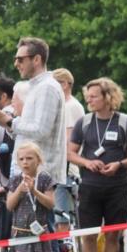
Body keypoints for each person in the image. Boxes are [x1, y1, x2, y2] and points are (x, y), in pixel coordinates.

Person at [0, 37, 67, 252]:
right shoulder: (36, 88)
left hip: (41, 172)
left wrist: (9, 121)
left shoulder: (46, 88)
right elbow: (29, 128)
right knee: (32, 233)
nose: (16, 63)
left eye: (21, 58)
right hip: (27, 170)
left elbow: (41, 130)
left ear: (37, 59)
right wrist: (9, 124)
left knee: (44, 233)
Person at [68, 77, 127, 252]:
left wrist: (119, 164)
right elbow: (70, 152)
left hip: (117, 186)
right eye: (87, 97)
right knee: (89, 235)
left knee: (113, 235)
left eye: (93, 96)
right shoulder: (83, 123)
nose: (89, 100)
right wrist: (87, 162)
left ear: (107, 97)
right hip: (90, 186)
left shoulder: (126, 122)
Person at [51, 68, 84, 232]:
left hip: (66, 170)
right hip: (65, 168)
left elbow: (68, 142)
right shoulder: (68, 105)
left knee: (62, 219)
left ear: (64, 84)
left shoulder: (70, 106)